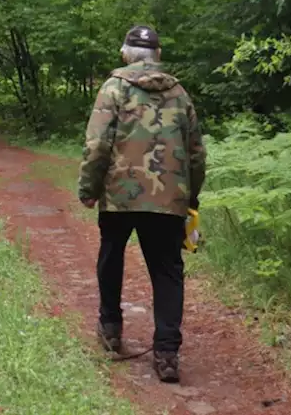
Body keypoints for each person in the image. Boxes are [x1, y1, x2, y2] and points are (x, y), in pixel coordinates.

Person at [78, 25, 206, 383]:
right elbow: (196, 152)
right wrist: (191, 196)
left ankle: (110, 328)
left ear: (125, 54)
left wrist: (88, 188)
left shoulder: (114, 88)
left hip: (119, 195)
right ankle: (166, 352)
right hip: (168, 196)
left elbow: (97, 144)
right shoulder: (179, 93)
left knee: (111, 255)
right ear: (158, 56)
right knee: (167, 270)